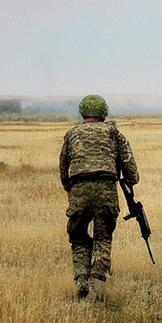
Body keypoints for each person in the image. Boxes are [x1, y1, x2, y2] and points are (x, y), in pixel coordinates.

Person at [59, 94, 139, 300]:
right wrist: (131, 180)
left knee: (78, 238)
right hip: (106, 189)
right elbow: (129, 165)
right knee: (103, 238)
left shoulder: (72, 134)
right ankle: (97, 286)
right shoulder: (114, 132)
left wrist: (70, 187)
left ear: (83, 112)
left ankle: (81, 280)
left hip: (78, 190)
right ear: (103, 113)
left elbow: (63, 165)